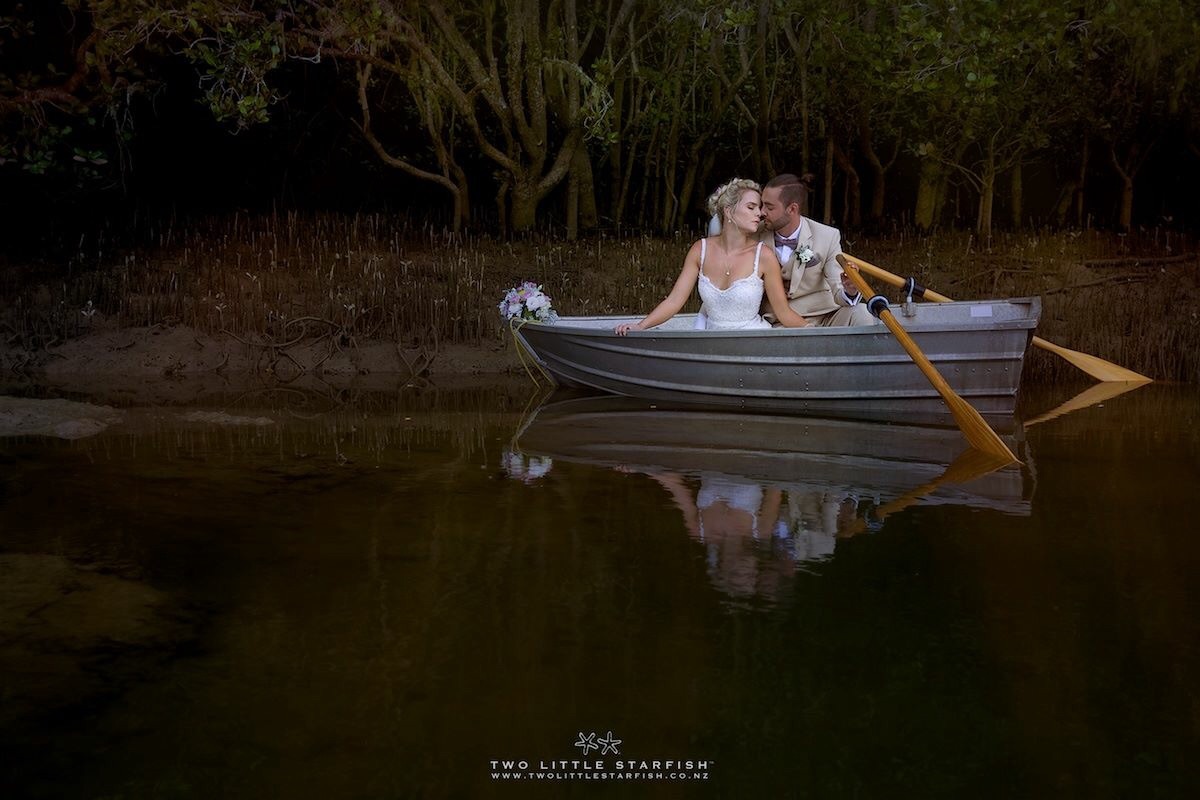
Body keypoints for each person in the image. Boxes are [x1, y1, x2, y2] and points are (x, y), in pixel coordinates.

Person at [614, 178, 810, 334]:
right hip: (711, 339)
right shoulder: (700, 250)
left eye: (759, 208)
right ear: (729, 211)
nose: (759, 214)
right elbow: (674, 301)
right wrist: (641, 326)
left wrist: (817, 334)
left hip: (752, 342)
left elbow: (783, 313)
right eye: (751, 207)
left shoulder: (764, 256)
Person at [758, 173, 874, 327]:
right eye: (762, 204)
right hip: (779, 321)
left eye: (769, 207)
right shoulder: (753, 234)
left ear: (792, 209)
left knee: (861, 312)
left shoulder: (827, 236)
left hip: (826, 316)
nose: (761, 212)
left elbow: (837, 287)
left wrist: (850, 289)